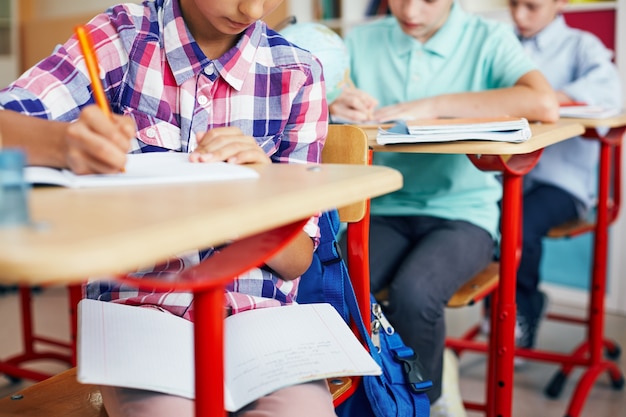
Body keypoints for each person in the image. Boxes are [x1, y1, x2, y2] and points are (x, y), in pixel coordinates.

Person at [0, 1, 334, 416]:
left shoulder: (298, 73)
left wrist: (257, 192)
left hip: (258, 323)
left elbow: (297, 260)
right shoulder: (122, 37)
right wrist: (64, 144)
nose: (252, 9)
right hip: (140, 314)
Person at [329, 0, 559, 415]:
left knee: (415, 294)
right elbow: (319, 111)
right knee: (340, 288)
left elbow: (543, 103)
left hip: (464, 213)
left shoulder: (485, 37)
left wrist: (434, 105)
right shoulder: (361, 40)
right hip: (384, 209)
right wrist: (333, 108)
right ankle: (380, 396)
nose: (411, 10)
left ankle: (426, 399)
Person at [507, 0, 623, 350]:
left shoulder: (581, 46)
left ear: (561, 3)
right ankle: (499, 309)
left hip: (561, 184)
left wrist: (541, 101)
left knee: (518, 224)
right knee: (481, 218)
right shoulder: (503, 44)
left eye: (531, 6)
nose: (519, 15)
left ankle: (521, 310)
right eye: (513, 5)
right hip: (507, 176)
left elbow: (609, 95)